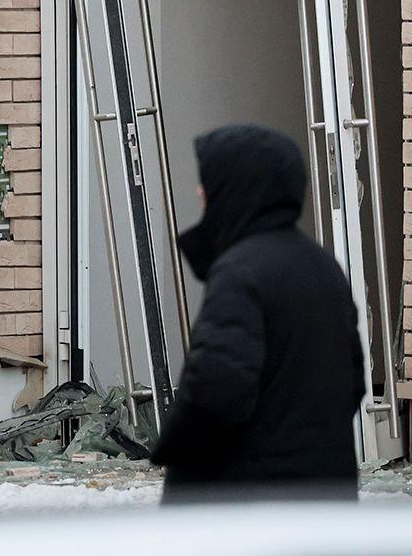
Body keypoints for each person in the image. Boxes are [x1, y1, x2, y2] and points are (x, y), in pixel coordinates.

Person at [151, 124, 366, 503]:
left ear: (237, 187)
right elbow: (354, 383)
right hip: (325, 497)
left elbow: (216, 390)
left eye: (210, 182)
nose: (200, 193)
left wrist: (172, 448)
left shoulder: (240, 273)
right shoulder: (322, 267)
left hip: (248, 506)